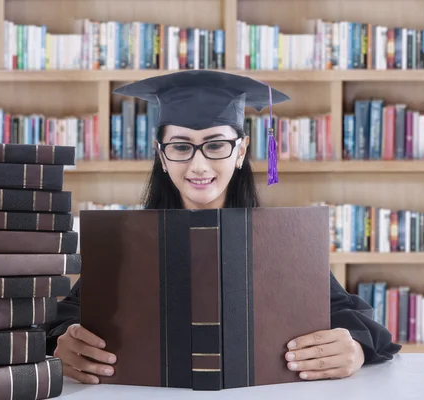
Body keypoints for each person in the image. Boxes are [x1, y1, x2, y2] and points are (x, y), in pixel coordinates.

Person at [44, 70, 402, 385]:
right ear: (162, 156)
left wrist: (352, 346)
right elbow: (71, 314)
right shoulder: (129, 240)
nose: (199, 165)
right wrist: (65, 339)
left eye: (216, 145)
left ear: (241, 150)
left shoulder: (280, 241)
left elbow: (353, 317)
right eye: (181, 146)